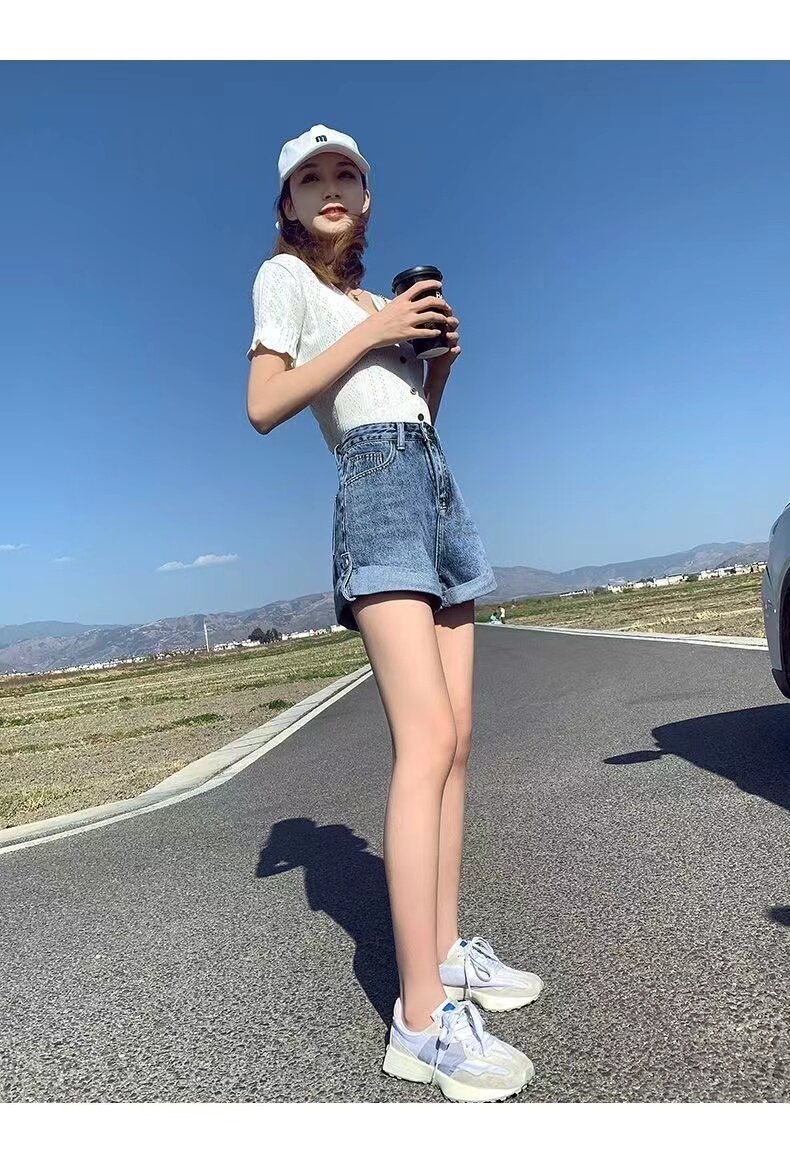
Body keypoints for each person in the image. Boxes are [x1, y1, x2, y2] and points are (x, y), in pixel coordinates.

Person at [245, 125, 543, 1103]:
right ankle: (419, 1021)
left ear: (367, 197)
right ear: (289, 204)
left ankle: (447, 955)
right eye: (309, 178)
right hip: (372, 488)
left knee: (458, 738)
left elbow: (414, 414)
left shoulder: (379, 303)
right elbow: (263, 404)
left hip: (431, 480)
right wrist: (370, 337)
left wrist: (437, 361)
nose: (329, 187)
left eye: (346, 174)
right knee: (424, 742)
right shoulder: (285, 280)